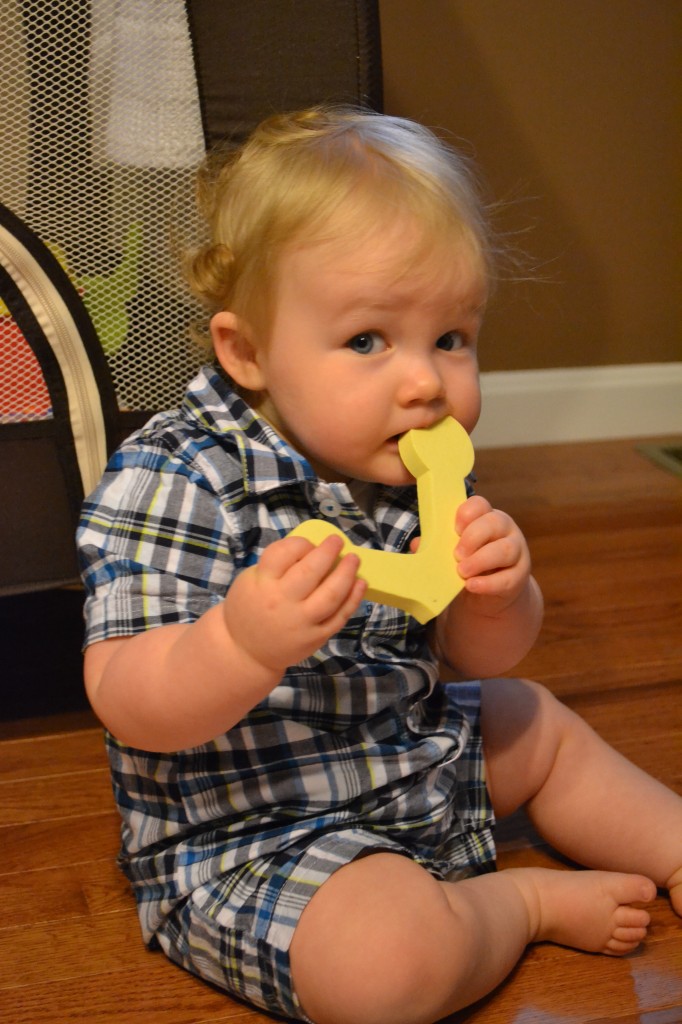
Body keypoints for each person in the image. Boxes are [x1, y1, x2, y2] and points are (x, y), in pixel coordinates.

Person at [77, 107, 682, 1024]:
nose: (426, 382)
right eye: (368, 340)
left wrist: (502, 592)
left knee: (536, 721)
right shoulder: (177, 474)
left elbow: (485, 660)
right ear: (247, 352)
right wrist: (240, 643)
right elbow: (127, 696)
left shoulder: (403, 458)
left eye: (451, 337)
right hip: (256, 828)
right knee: (383, 970)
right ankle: (512, 906)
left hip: (407, 753)